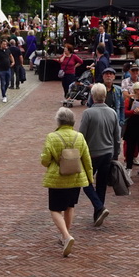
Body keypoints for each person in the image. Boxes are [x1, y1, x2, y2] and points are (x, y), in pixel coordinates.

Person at [41, 107, 94, 256]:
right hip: (76, 177)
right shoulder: (79, 136)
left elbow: (45, 160)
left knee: (55, 209)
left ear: (58, 121)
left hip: (57, 178)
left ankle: (66, 235)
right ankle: (66, 234)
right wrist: (90, 177)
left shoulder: (52, 137)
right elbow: (87, 159)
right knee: (70, 206)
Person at [78, 83, 121, 227]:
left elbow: (81, 135)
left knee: (85, 182)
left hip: (92, 154)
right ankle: (98, 213)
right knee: (101, 184)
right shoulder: (112, 113)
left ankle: (99, 207)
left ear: (92, 96)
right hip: (107, 153)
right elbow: (117, 136)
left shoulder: (88, 113)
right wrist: (116, 153)